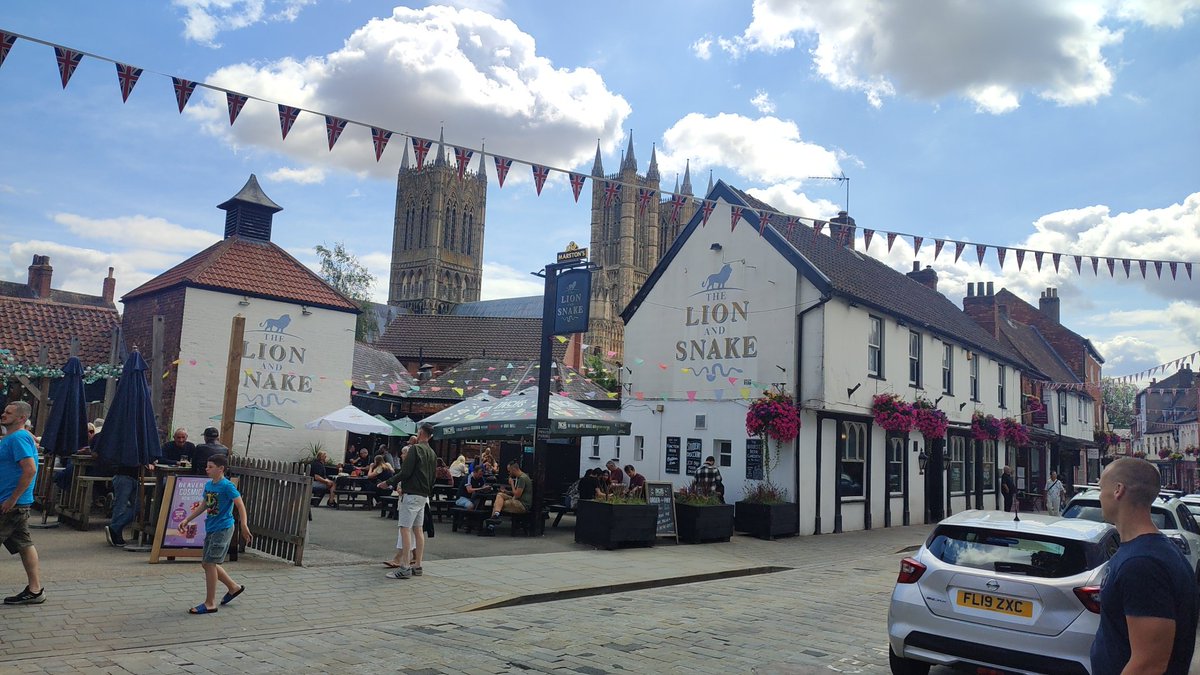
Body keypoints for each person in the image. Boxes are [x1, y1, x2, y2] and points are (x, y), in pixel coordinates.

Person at [1091, 457, 1197, 674]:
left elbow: (1149, 664)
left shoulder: (1143, 565)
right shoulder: (1146, 552)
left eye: (1101, 488)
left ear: (1118, 490)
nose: (1099, 495)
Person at [175, 454, 252, 615]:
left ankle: (210, 603)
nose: (206, 469)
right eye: (207, 466)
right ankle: (233, 587)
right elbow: (204, 505)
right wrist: (187, 519)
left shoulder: (227, 486)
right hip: (211, 527)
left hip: (223, 529)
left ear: (221, 469)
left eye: (210, 467)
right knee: (207, 563)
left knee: (210, 563)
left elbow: (240, 505)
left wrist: (243, 525)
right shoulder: (210, 485)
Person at [0, 401, 44, 605]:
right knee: (25, 544)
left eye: (9, 413)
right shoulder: (16, 437)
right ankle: (35, 590)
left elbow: (30, 469)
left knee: (25, 544)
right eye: (4, 411)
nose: (3, 414)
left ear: (21, 418)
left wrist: (12, 499)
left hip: (10, 503)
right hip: (14, 502)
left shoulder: (18, 438)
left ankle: (35, 590)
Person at [382, 422, 436, 578]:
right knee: (418, 530)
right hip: (423, 495)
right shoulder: (432, 453)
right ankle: (417, 565)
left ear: (419, 433)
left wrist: (388, 482)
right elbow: (433, 476)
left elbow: (405, 472)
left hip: (411, 493)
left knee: (405, 529)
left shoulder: (415, 450)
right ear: (430, 436)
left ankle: (404, 566)